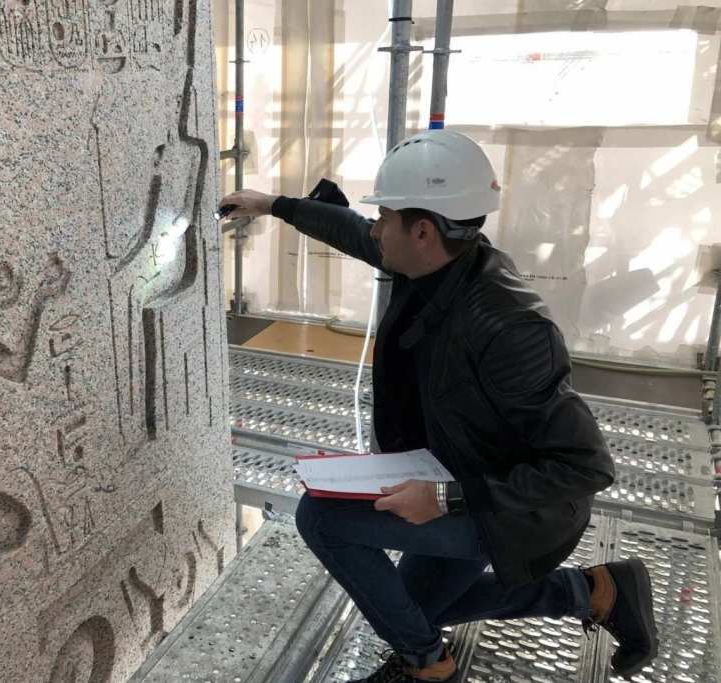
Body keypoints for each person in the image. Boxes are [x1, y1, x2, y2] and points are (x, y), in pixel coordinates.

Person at [219, 129, 658, 683]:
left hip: (508, 509)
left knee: (322, 518)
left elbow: (586, 467)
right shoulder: (441, 260)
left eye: (385, 218)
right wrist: (272, 205)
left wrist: (448, 498)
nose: (375, 229)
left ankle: (429, 667)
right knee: (415, 610)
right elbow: (358, 235)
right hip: (454, 471)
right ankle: (597, 591)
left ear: (423, 230)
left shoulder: (510, 329)